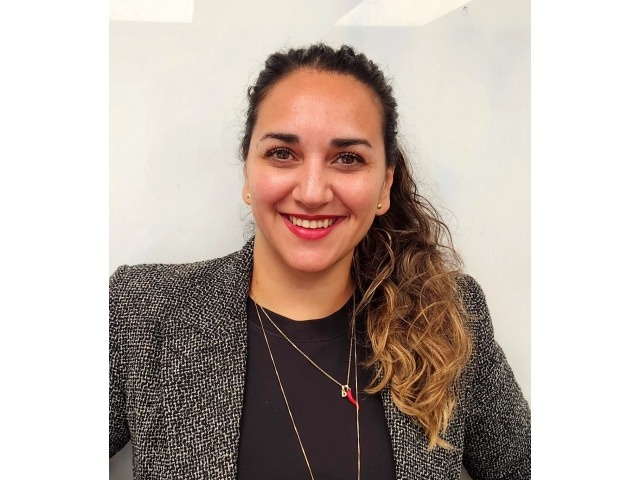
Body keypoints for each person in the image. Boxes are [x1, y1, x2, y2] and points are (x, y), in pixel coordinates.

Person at [109, 43, 530, 479]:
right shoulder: (141, 311)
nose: (312, 193)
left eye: (347, 158)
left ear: (385, 185)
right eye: (282, 153)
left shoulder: (449, 316)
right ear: (248, 174)